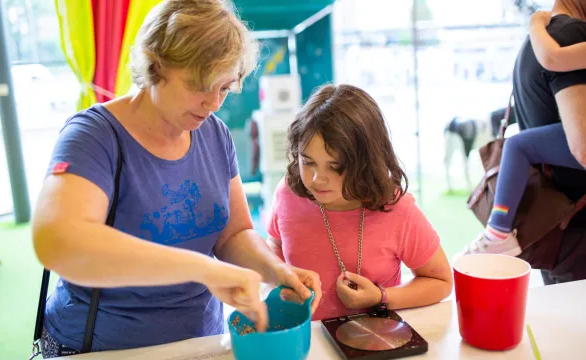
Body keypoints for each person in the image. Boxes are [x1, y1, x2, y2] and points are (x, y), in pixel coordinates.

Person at [31, 0, 321, 357]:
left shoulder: (214, 134)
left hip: (200, 343)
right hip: (104, 349)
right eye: (199, 86)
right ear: (155, 66)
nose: (214, 103)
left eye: (225, 88)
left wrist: (277, 271)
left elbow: (234, 234)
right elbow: (57, 241)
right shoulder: (94, 136)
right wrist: (204, 270)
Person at [266, 84, 453, 321]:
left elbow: (441, 281)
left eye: (335, 167)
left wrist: (380, 297)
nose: (317, 179)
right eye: (308, 162)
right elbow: (275, 244)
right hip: (305, 340)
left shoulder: (398, 209)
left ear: (366, 161)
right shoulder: (288, 193)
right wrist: (281, 277)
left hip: (374, 342)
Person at [462, 0, 586, 284]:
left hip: (553, 230)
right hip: (571, 231)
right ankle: (497, 232)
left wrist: (535, 24)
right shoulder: (570, 33)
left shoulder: (543, 40)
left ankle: (497, 231)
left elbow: (553, 57)